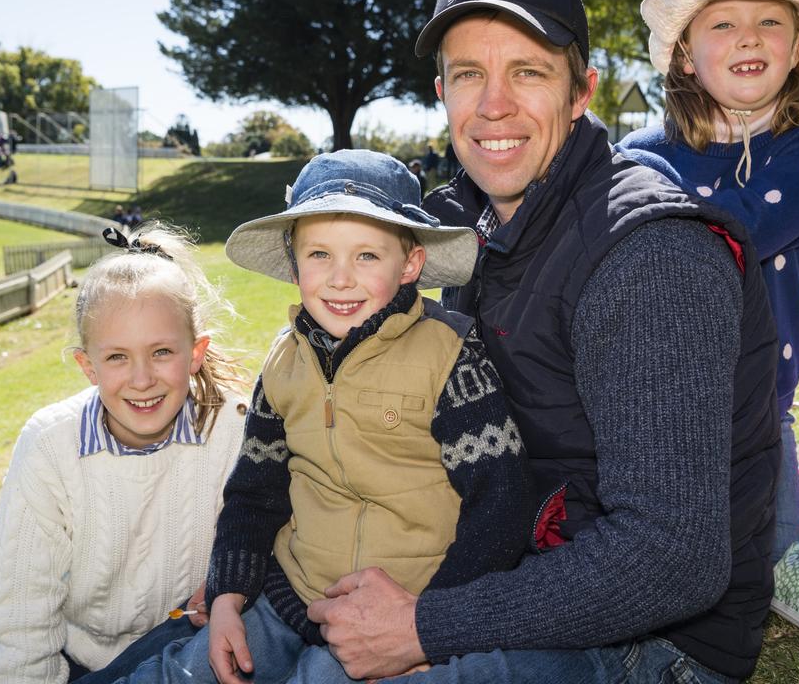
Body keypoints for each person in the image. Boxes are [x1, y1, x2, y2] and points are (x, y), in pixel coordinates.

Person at [302, 0, 781, 684]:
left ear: (582, 90)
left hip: (654, 641)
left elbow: (672, 557)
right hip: (515, 566)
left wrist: (424, 627)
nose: (494, 105)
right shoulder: (455, 230)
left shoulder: (652, 255)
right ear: (442, 93)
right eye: (470, 75)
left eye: (527, 71)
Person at [109, 149, 532, 684]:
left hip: (395, 617)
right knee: (178, 675)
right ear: (294, 262)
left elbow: (501, 504)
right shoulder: (284, 361)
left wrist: (428, 627)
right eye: (319, 255)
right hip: (289, 596)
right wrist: (225, 598)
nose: (339, 279)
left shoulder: (450, 357)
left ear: (410, 265)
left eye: (366, 257)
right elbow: (253, 493)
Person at [0, 223, 247, 684]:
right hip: (64, 630)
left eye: (161, 352)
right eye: (116, 357)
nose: (141, 379)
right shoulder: (50, 443)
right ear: (87, 366)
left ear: (195, 354)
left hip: (170, 641)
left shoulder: (234, 429)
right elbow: (19, 616)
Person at [618, 0, 799, 562]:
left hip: (761, 399)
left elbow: (744, 228)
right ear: (686, 58)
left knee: (782, 575)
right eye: (723, 23)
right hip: (658, 395)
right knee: (665, 558)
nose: (748, 37)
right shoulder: (642, 152)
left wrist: (650, 225)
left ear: (797, 47)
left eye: (770, 21)